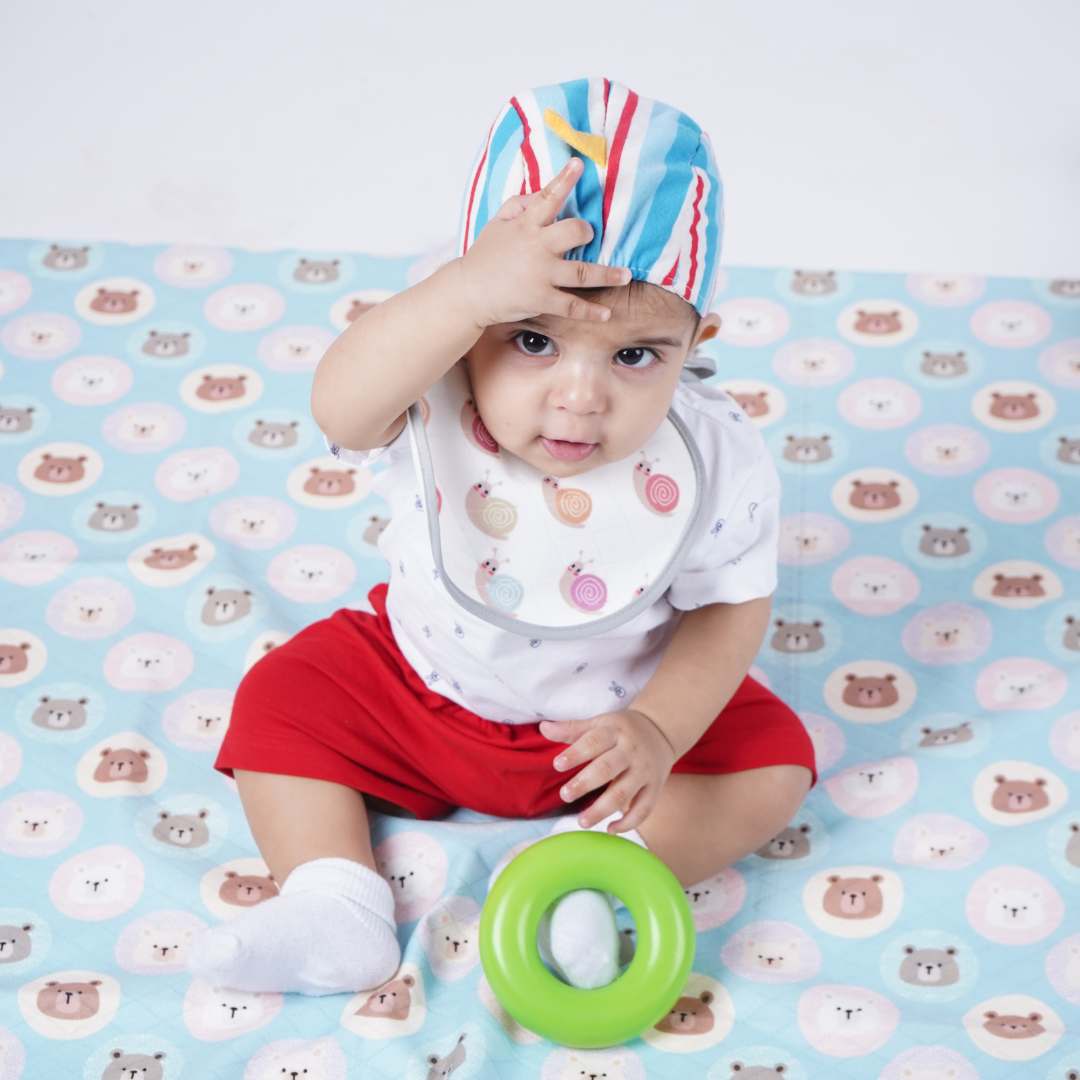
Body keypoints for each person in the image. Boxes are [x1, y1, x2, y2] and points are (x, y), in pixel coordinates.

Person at [188, 76, 817, 998]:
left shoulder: (716, 454)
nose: (579, 395)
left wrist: (656, 728)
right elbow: (339, 407)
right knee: (280, 696)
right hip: (415, 688)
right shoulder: (430, 369)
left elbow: (730, 607)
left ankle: (590, 878)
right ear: (474, 314)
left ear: (696, 341)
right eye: (532, 341)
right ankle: (335, 902)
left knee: (774, 764)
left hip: (607, 735)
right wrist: (458, 297)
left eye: (635, 357)